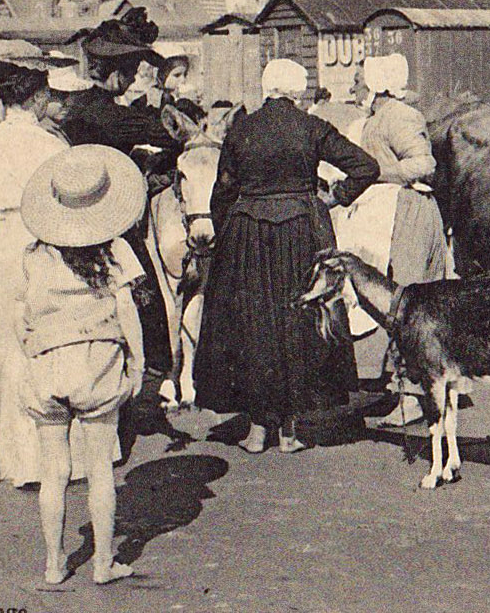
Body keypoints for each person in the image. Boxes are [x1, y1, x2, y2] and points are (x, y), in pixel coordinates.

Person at [192, 59, 379, 453]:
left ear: (265, 88)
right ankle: (291, 431)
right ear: (298, 91)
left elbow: (224, 188)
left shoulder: (241, 128)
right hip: (301, 231)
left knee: (254, 324)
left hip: (249, 234)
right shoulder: (312, 128)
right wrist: (336, 196)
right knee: (299, 320)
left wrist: (229, 232)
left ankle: (258, 430)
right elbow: (366, 166)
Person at [0, 55, 97, 487]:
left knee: (2, 339)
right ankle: (40, 456)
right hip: (43, 242)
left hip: (4, 242)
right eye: (46, 93)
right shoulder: (50, 146)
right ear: (34, 99)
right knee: (44, 341)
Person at [15, 146, 148, 586]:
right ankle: (104, 563)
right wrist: (138, 365)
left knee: (53, 473)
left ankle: (54, 564)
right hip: (95, 364)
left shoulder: (33, 254)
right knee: (100, 471)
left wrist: (35, 352)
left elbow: (21, 318)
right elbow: (128, 313)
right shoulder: (113, 252)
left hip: (46, 366)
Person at [60, 10, 181, 384]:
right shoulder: (109, 114)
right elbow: (169, 133)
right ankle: (149, 372)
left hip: (72, 213)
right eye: (128, 74)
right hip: (109, 215)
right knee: (141, 291)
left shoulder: (75, 106)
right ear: (115, 73)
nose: (130, 82)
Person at [343, 54, 451, 426]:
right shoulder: (376, 118)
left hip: (406, 215)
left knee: (409, 303)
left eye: (358, 80)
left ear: (376, 82)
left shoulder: (401, 116)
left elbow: (423, 164)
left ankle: (415, 397)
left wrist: (374, 175)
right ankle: (399, 385)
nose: (353, 86)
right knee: (386, 301)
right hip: (383, 213)